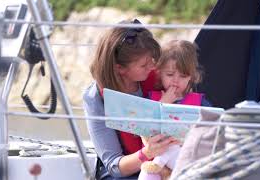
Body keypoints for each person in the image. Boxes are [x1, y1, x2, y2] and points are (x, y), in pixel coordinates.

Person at [83, 19, 179, 179]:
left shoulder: (160, 78)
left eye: (153, 60)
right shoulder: (95, 98)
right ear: (119, 68)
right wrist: (147, 152)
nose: (152, 67)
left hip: (166, 165)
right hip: (126, 173)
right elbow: (114, 167)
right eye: (144, 65)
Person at [138, 40, 211, 180]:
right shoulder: (151, 99)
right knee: (147, 175)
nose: (176, 81)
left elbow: (213, 129)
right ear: (159, 73)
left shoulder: (200, 102)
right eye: (170, 75)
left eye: (183, 76)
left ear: (192, 76)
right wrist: (162, 104)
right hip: (157, 164)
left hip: (187, 164)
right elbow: (142, 129)